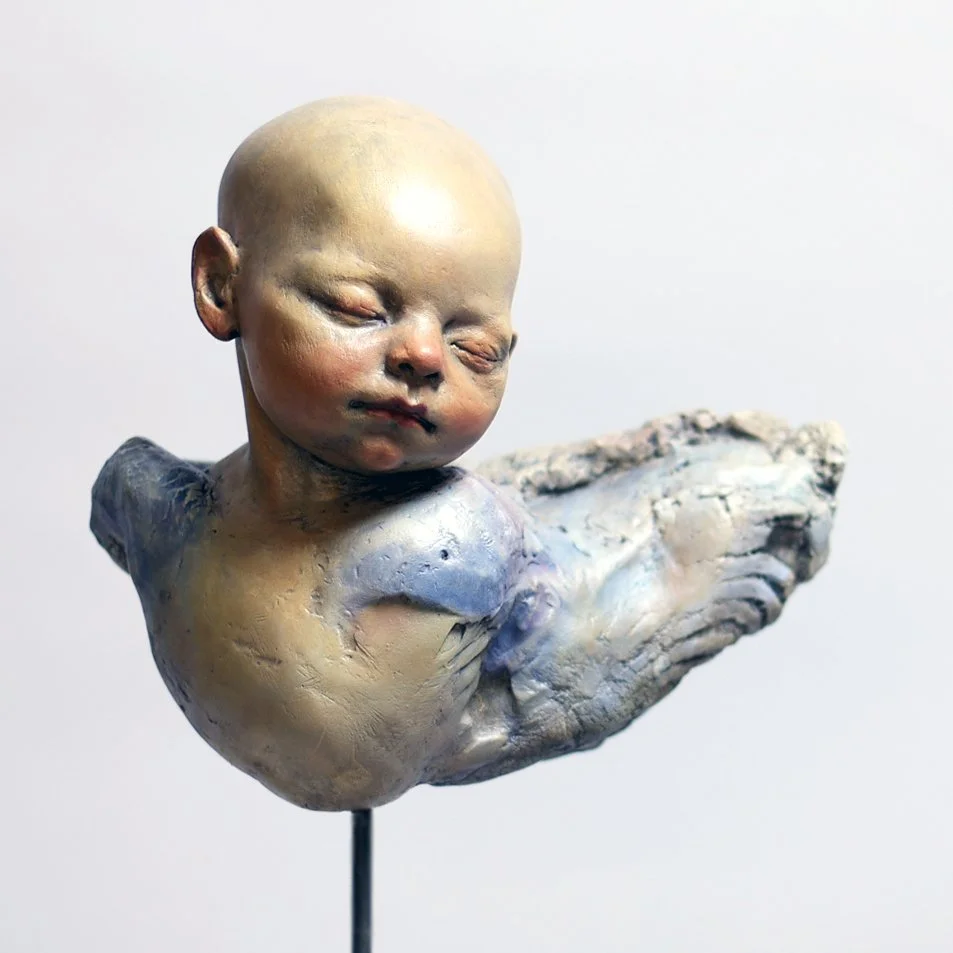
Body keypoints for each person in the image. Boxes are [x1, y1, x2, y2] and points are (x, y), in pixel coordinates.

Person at [91, 97, 844, 810]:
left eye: (474, 348)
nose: (422, 356)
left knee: (683, 533)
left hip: (594, 590)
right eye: (358, 309)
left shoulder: (444, 553)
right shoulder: (154, 506)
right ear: (222, 285)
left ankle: (770, 477)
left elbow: (383, 745)